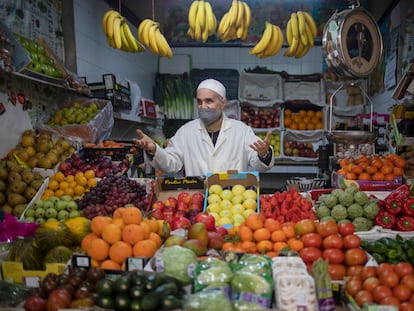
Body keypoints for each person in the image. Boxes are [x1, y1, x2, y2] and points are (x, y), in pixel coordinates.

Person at [133, 78, 274, 176]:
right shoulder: (186, 131)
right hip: (198, 200)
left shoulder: (241, 131)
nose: (203, 106)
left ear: (223, 103)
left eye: (209, 101)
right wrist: (154, 150)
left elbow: (257, 164)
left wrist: (263, 154)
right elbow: (172, 164)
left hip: (232, 201)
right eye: (199, 102)